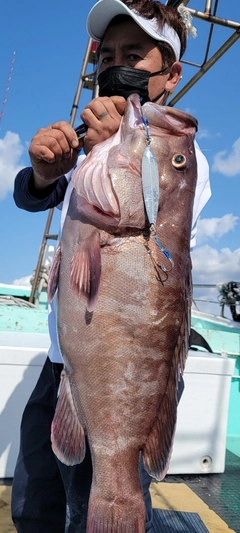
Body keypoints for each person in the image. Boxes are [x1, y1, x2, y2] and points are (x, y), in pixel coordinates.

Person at [11, 1, 211, 532]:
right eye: (108, 55)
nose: (117, 65)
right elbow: (34, 200)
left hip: (124, 373)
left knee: (100, 503)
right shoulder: (99, 147)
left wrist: (126, 147)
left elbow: (146, 217)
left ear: (170, 75)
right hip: (67, 364)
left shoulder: (175, 150)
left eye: (135, 54)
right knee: (35, 504)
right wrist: (43, 172)